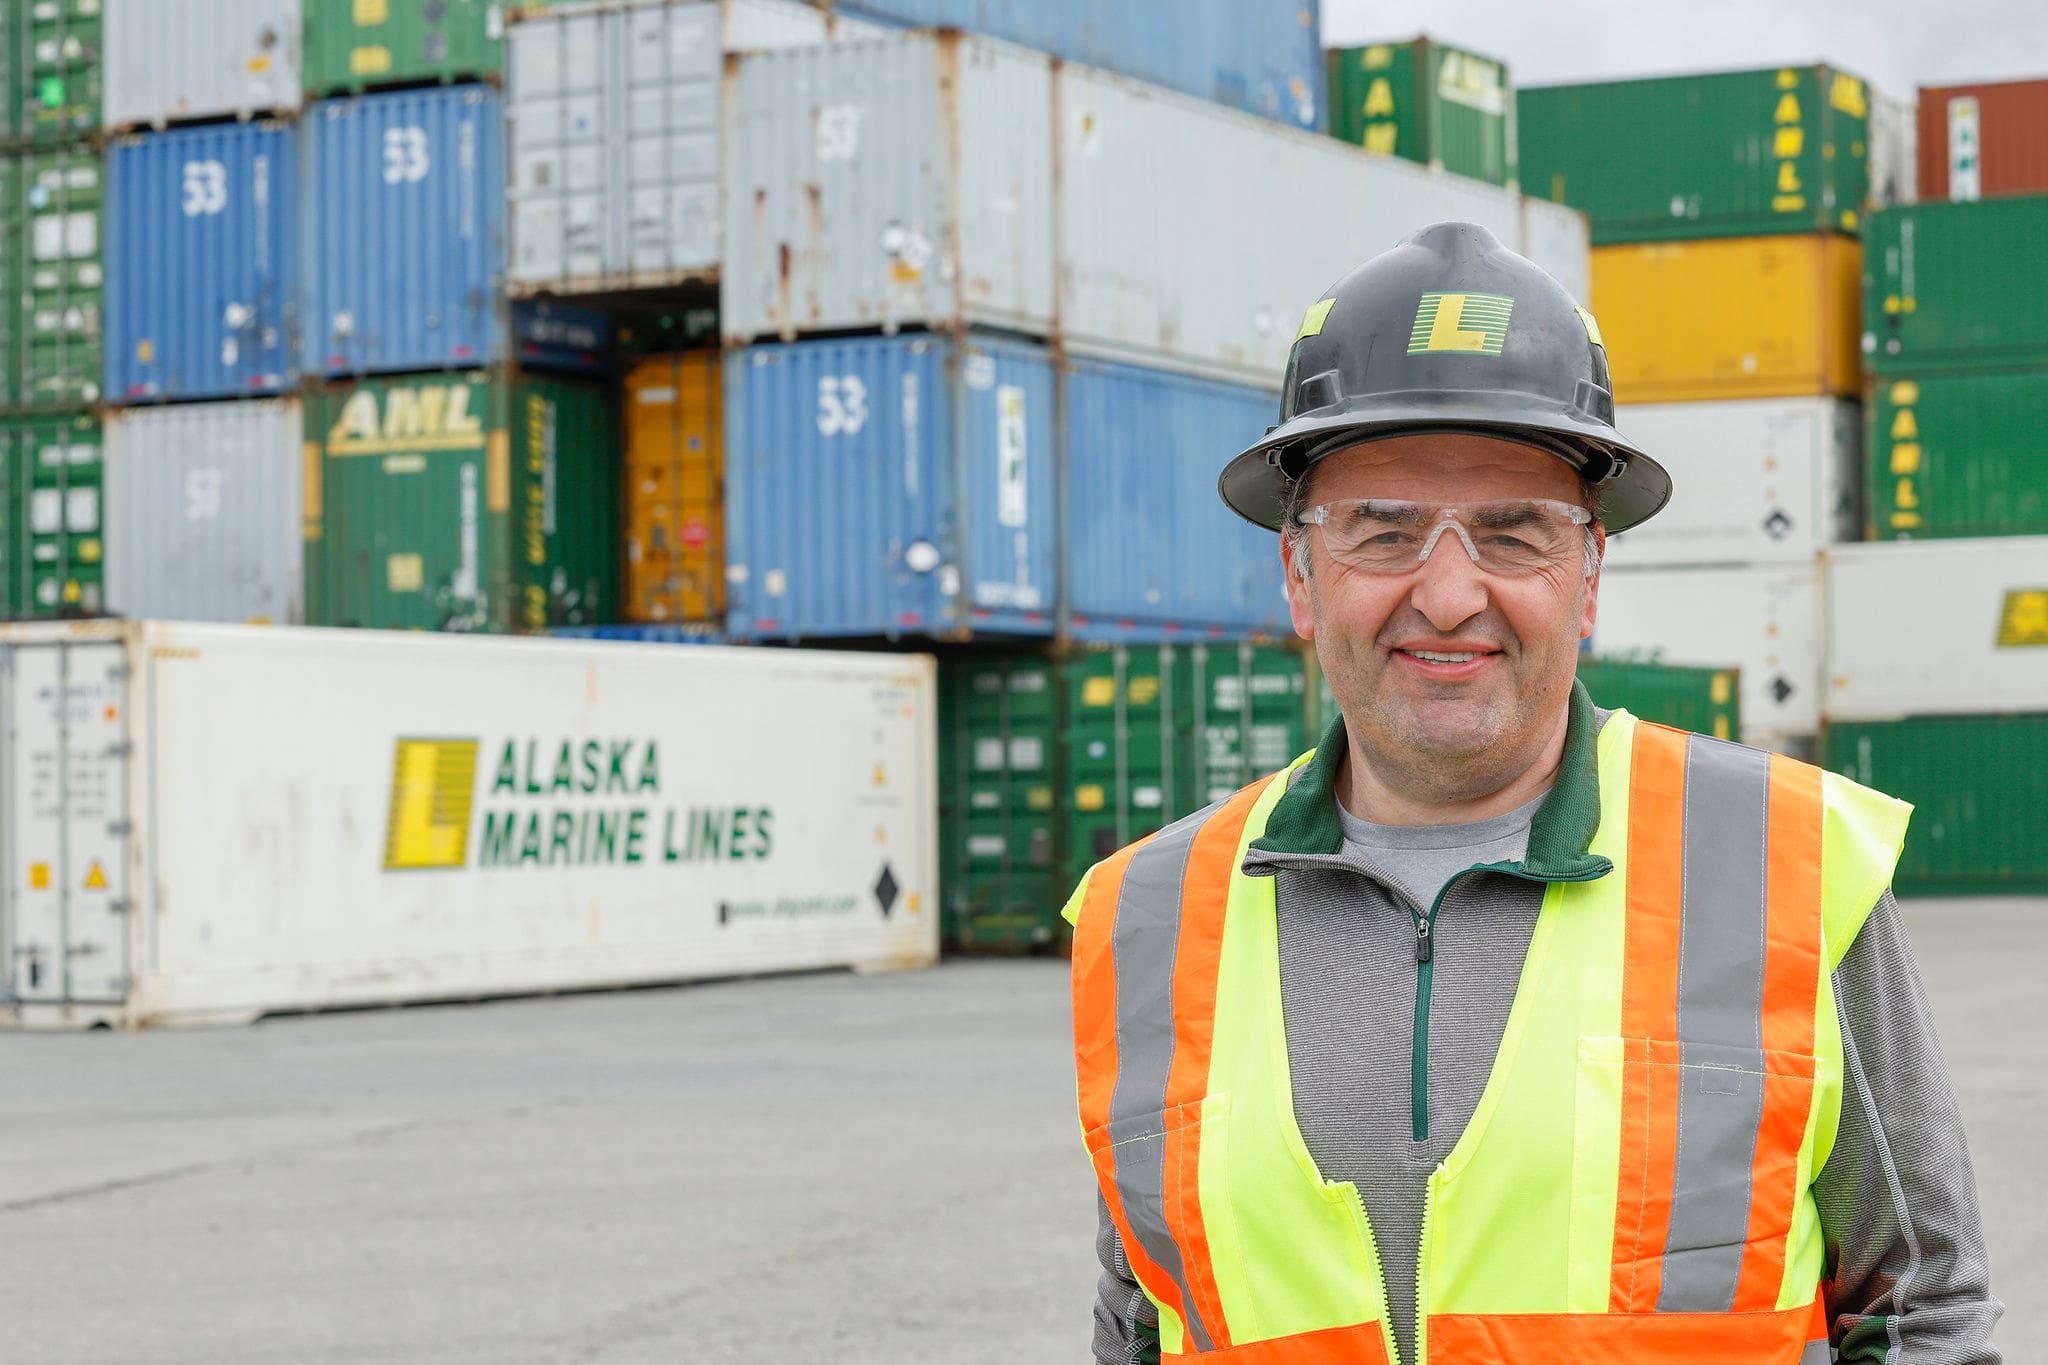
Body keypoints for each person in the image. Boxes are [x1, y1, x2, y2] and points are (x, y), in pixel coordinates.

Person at [1064, 222, 2001, 1365]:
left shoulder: (1783, 865)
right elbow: (1141, 1327)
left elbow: (1920, 1313)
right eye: (1382, 532)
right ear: (1298, 577)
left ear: (1588, 574)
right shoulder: (1145, 913)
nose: (1449, 593)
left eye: (1513, 534)